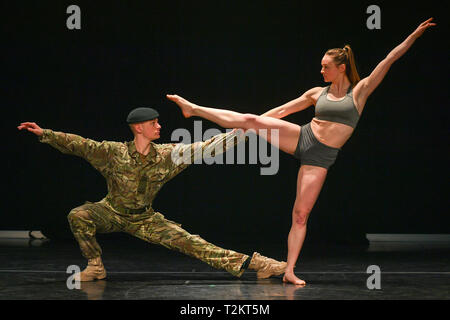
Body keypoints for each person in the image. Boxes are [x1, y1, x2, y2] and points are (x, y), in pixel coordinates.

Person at [166, 18, 436, 285]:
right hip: (302, 136)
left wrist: (413, 35)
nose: (321, 71)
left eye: (326, 67)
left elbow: (388, 59)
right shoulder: (316, 93)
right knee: (250, 118)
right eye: (321, 66)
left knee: (300, 214)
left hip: (321, 157)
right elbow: (283, 111)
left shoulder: (359, 92)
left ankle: (290, 270)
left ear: (341, 68)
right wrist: (252, 127)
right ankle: (194, 109)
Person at [18, 107, 287, 281]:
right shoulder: (113, 152)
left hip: (146, 219)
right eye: (154, 123)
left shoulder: (168, 155)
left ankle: (257, 264)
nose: (159, 127)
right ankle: (95, 265)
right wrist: (45, 134)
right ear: (138, 128)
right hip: (110, 212)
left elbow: (207, 147)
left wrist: (246, 129)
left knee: (194, 244)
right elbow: (80, 145)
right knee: (78, 215)